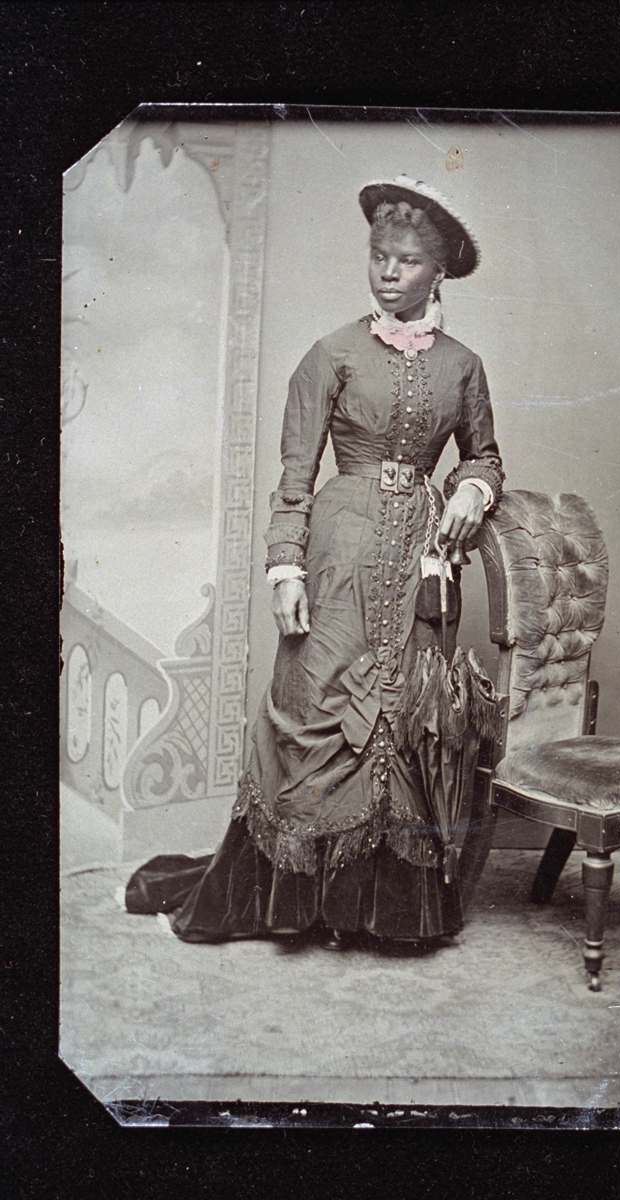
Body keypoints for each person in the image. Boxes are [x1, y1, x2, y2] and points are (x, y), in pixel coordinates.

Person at [126, 176, 504, 953]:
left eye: (405, 262)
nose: (387, 273)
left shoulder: (464, 366)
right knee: (314, 707)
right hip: (337, 557)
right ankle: (297, 903)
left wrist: (473, 487)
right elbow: (295, 478)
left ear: (439, 274)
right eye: (378, 257)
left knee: (401, 719)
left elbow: (488, 456)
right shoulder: (330, 354)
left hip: (425, 568)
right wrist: (285, 570)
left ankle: (375, 911)